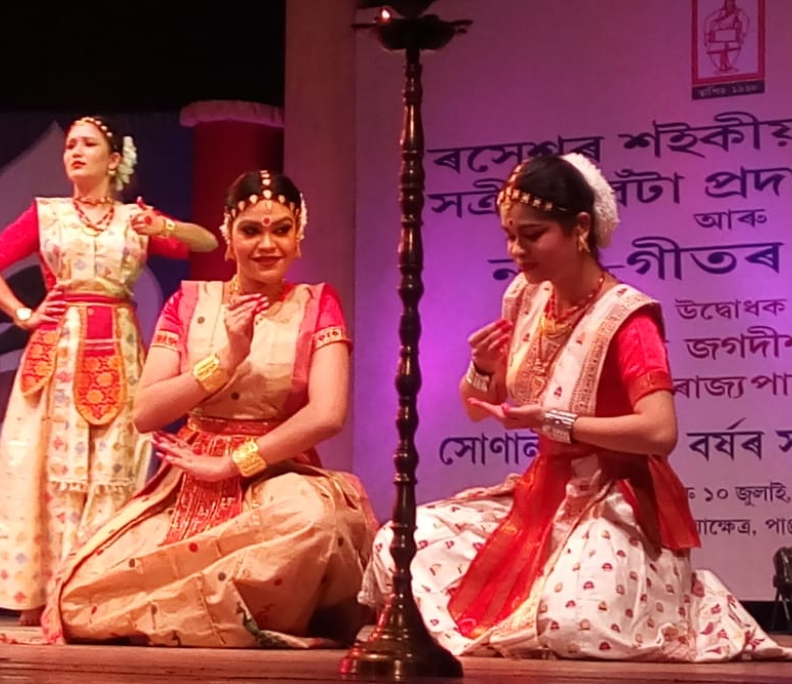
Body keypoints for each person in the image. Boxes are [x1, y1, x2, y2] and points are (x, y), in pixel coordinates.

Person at [359, 154, 792, 661]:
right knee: (400, 547)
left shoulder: (627, 317)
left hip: (620, 497)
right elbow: (481, 406)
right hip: (541, 495)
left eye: (532, 234)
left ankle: (696, 603)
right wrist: (481, 367)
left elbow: (660, 432)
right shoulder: (525, 298)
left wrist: (554, 421)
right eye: (509, 235)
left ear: (580, 227)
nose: (516, 249)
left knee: (575, 621)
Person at [41, 169, 377, 648]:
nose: (267, 244)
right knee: (78, 594)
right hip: (190, 479)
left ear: (298, 234)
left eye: (281, 229)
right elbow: (147, 412)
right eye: (251, 230)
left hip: (278, 472)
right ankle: (217, 616)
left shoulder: (316, 304)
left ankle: (208, 616)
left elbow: (327, 413)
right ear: (227, 235)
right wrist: (227, 358)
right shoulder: (190, 301)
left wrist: (233, 464)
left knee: (312, 526)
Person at [0, 115, 218, 626]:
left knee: (115, 469)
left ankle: (95, 591)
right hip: (58, 353)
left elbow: (205, 242)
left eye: (88, 144)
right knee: (52, 472)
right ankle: (46, 593)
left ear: (114, 160)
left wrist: (163, 226)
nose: (74, 151)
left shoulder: (132, 218)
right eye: (70, 144)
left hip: (118, 347)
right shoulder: (44, 215)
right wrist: (22, 314)